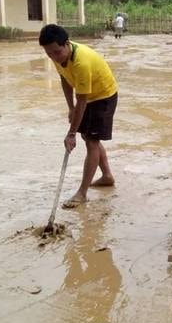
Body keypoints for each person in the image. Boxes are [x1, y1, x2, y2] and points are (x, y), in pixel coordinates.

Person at [39, 24, 118, 207]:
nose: (53, 57)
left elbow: (82, 100)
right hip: (88, 96)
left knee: (91, 140)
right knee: (90, 137)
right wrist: (70, 108)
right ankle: (106, 176)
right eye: (49, 54)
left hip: (103, 96)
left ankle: (82, 193)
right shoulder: (57, 55)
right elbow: (65, 80)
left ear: (66, 44)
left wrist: (71, 133)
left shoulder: (82, 62)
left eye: (56, 52)